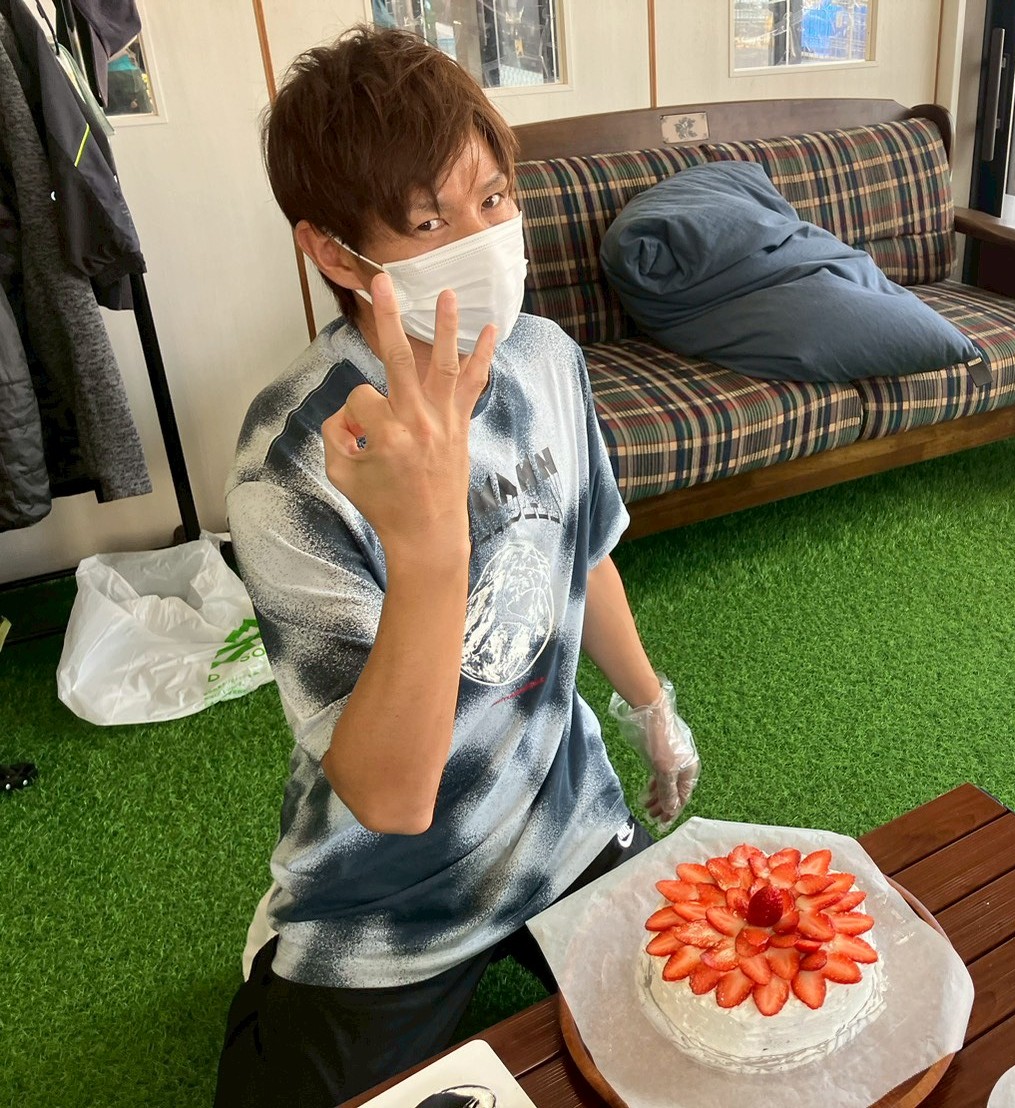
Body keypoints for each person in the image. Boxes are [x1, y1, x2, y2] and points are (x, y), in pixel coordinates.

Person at [214, 27, 700, 1107]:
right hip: (388, 898)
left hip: (564, 822)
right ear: (338, 254)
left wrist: (651, 707)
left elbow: (576, 552)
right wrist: (431, 535)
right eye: (430, 222)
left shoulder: (545, 358)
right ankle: (274, 963)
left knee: (714, 1039)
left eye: (494, 200)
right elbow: (391, 796)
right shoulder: (292, 461)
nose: (485, 241)